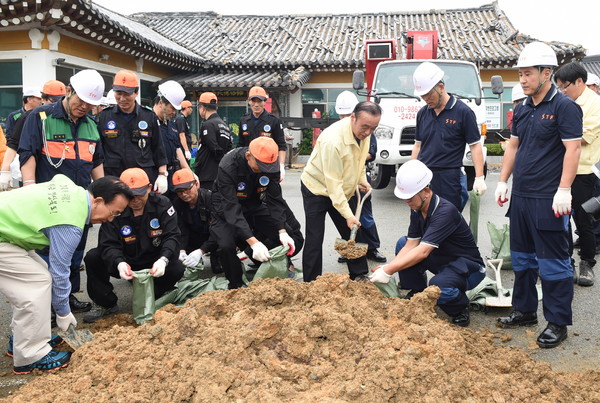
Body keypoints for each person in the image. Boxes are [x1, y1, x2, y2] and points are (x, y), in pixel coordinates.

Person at [495, 42, 582, 349]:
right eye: (520, 74)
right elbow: (514, 147)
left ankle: (557, 322)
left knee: (553, 263)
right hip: (521, 197)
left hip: (549, 199)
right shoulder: (522, 109)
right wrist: (504, 181)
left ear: (547, 73)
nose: (522, 79)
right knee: (522, 260)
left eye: (528, 73)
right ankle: (525, 311)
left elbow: (573, 148)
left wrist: (564, 189)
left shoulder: (565, 108)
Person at [0, 174, 132, 374]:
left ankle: (24, 338)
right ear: (97, 201)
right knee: (38, 283)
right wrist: (63, 311)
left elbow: (59, 177)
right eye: (113, 212)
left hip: (9, 233)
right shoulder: (70, 224)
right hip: (4, 235)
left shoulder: (75, 192)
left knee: (39, 277)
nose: (110, 219)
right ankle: (30, 355)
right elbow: (60, 270)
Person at [18, 70, 107, 314]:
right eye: (81, 101)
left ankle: (67, 300)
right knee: (49, 255)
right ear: (69, 91)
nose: (85, 107)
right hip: (51, 203)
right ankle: (45, 306)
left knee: (75, 251)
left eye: (91, 105)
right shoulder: (41, 117)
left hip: (80, 203)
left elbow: (96, 162)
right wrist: (29, 189)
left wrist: (104, 196)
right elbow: (27, 153)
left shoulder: (91, 125)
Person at [369, 160, 485, 327]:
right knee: (402, 244)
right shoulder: (417, 208)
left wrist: (389, 270)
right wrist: (387, 268)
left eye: (409, 197)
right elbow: (410, 245)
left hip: (466, 267)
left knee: (438, 288)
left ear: (426, 191)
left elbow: (423, 251)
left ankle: (460, 307)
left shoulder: (445, 211)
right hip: (440, 257)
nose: (406, 201)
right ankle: (417, 289)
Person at [83, 168, 185, 322]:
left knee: (176, 267)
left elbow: (172, 236)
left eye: (140, 194)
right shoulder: (115, 209)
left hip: (154, 260)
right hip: (126, 260)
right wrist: (119, 262)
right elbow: (108, 243)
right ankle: (105, 303)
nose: (135, 200)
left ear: (149, 188)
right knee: (93, 257)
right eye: (131, 196)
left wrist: (163, 259)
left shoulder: (162, 205)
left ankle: (157, 293)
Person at [301, 101, 381, 282]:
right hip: (316, 187)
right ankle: (311, 282)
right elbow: (333, 185)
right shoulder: (333, 141)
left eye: (373, 128)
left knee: (353, 231)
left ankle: (359, 274)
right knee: (315, 236)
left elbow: (359, 160)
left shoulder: (364, 133)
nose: (368, 132)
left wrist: (361, 180)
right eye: (365, 127)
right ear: (353, 117)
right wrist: (348, 215)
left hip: (342, 188)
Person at [210, 136, 295, 289]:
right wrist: (253, 242)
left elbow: (274, 200)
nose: (264, 170)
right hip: (226, 205)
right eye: (260, 165)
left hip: (253, 202)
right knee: (226, 245)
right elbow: (232, 209)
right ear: (248, 156)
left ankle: (277, 271)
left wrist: (282, 231)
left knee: (285, 232)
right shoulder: (228, 165)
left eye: (268, 166)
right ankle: (236, 284)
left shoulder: (270, 165)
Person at [411, 61, 486, 211]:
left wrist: (479, 177)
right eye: (422, 95)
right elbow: (418, 145)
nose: (426, 99)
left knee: (448, 222)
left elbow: (475, 145)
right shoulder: (422, 114)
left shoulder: (463, 112)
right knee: (422, 221)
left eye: (429, 94)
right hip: (424, 176)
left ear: (441, 87)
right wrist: (412, 171)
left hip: (449, 177)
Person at [554, 62, 600, 286]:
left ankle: (587, 264)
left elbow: (583, 138)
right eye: (560, 87)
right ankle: (566, 262)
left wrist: (559, 133)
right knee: (561, 218)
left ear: (580, 82)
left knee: (583, 220)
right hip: (561, 169)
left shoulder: (594, 104)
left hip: (583, 171)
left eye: (565, 86)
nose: (562, 90)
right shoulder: (564, 102)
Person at [335, 91, 386, 264]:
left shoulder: (366, 130)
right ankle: (350, 248)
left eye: (346, 114)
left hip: (360, 177)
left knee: (365, 216)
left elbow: (371, 153)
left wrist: (352, 160)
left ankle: (372, 248)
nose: (344, 118)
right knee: (346, 217)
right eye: (341, 114)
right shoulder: (338, 132)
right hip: (341, 180)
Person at [97, 69, 168, 192]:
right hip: (114, 179)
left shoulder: (148, 116)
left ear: (136, 93)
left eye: (127, 94)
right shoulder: (105, 116)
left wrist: (162, 174)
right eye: (118, 93)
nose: (122, 98)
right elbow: (99, 152)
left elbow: (158, 148)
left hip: (142, 178)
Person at [0, 80, 67, 192]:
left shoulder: (69, 119)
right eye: (53, 100)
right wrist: (5, 171)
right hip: (37, 173)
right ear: (43, 99)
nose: (57, 104)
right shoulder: (29, 117)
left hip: (63, 175)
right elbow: (13, 144)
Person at [172, 168, 220, 273]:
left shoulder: (210, 199)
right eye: (179, 192)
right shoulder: (177, 204)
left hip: (213, 236)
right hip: (193, 237)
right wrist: (181, 249)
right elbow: (181, 229)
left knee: (219, 265)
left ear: (196, 184)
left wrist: (201, 250)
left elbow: (218, 229)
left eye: (187, 189)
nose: (183, 194)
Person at [238, 86, 287, 181]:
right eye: (253, 101)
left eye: (259, 101)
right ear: (249, 101)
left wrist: (281, 165)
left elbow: (281, 145)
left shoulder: (274, 121)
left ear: (265, 102)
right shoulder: (244, 120)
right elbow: (240, 145)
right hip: (249, 166)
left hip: (268, 166)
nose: (256, 105)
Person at [152, 80, 190, 197]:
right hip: (155, 175)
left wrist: (188, 171)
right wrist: (161, 173)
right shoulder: (149, 122)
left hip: (171, 174)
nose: (174, 112)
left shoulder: (171, 124)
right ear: (160, 103)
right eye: (172, 108)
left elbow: (177, 149)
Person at [193, 92, 232, 190]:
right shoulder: (224, 125)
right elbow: (228, 149)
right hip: (220, 173)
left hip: (207, 174)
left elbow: (214, 147)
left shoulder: (208, 124)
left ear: (202, 108)